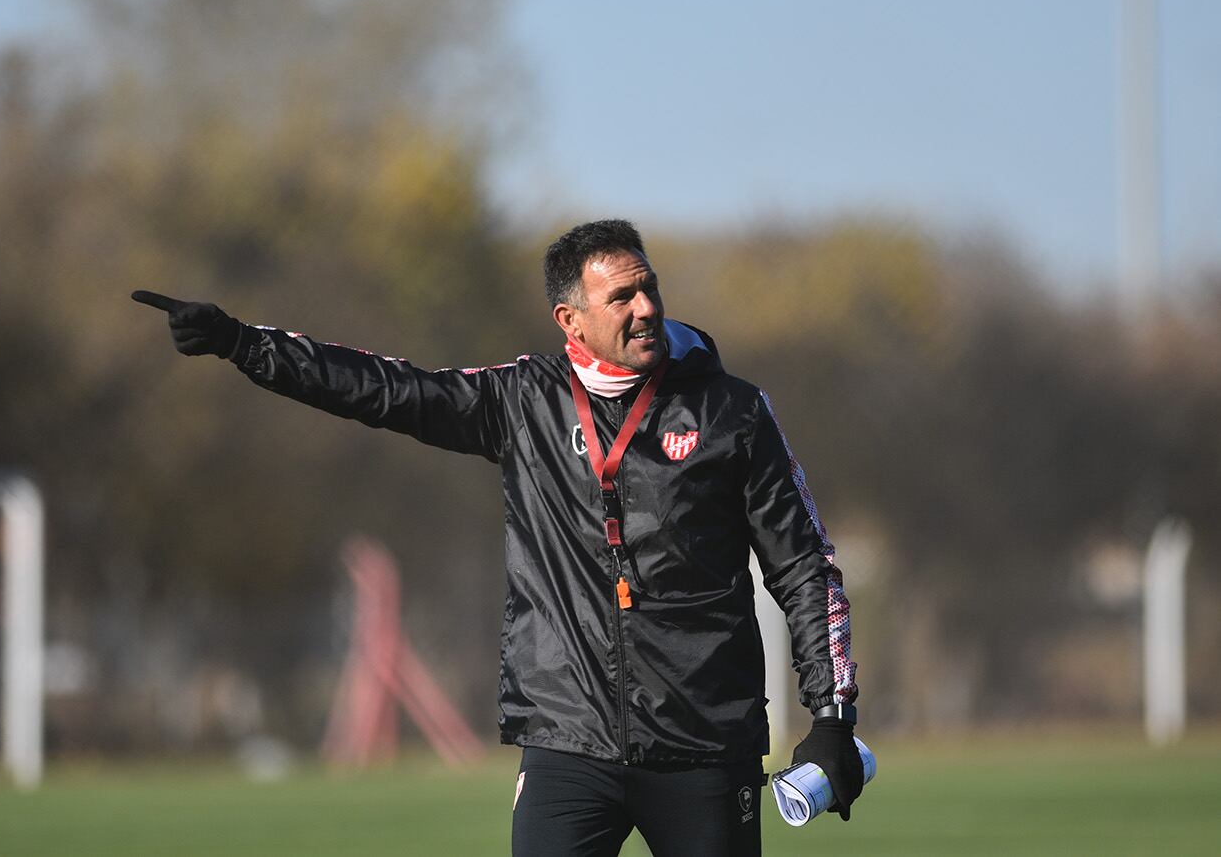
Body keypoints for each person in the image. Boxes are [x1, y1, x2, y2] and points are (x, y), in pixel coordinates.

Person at [133, 218, 864, 856]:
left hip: (707, 744)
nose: (645, 308)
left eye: (649, 288)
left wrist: (831, 716)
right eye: (621, 297)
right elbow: (385, 388)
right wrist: (244, 344)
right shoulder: (523, 401)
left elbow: (805, 566)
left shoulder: (733, 411)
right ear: (569, 319)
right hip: (568, 742)